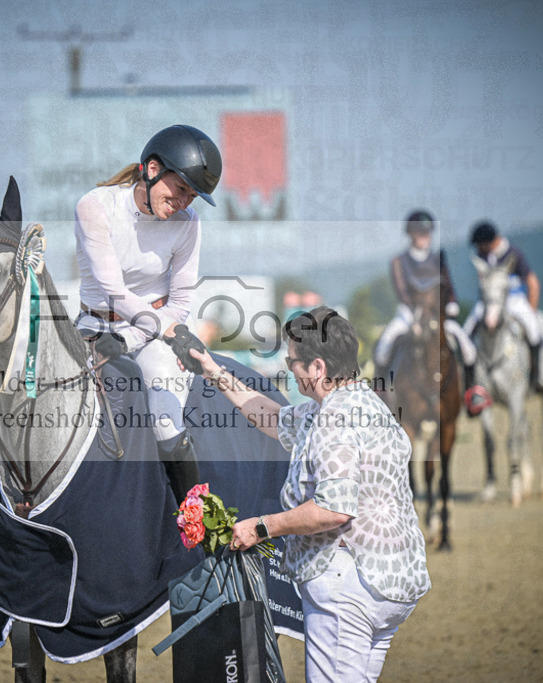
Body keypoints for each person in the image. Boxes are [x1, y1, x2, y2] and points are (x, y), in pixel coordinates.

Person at [185, 306, 430, 682]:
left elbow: (333, 510)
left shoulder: (333, 420)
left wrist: (261, 527)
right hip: (391, 584)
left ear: (317, 367)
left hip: (347, 585)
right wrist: (215, 372)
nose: (290, 369)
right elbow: (270, 416)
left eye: (293, 362)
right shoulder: (361, 404)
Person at [73, 124, 221, 503]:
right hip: (91, 327)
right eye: (181, 189)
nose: (185, 202)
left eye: (192, 195)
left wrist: (129, 338)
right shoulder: (95, 206)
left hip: (152, 338)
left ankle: (194, 519)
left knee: (165, 418)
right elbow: (114, 292)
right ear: (152, 170)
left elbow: (182, 301)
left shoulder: (189, 225)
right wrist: (123, 335)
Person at [373, 210, 489, 414]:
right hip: (409, 313)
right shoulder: (399, 262)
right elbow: (402, 291)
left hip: (438, 314)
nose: (425, 237)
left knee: (467, 347)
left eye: (427, 233)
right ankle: (380, 392)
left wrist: (451, 303)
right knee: (384, 345)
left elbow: (448, 286)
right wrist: (416, 312)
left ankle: (472, 393)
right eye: (420, 233)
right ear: (410, 235)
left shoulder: (439, 259)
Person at [463, 221, 543, 390]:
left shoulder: (514, 254)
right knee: (466, 333)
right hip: (488, 302)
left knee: (533, 329)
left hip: (514, 301)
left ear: (488, 242)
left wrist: (532, 310)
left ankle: (536, 375)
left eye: (480, 245)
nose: (478, 249)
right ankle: (469, 384)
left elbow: (532, 283)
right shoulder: (482, 257)